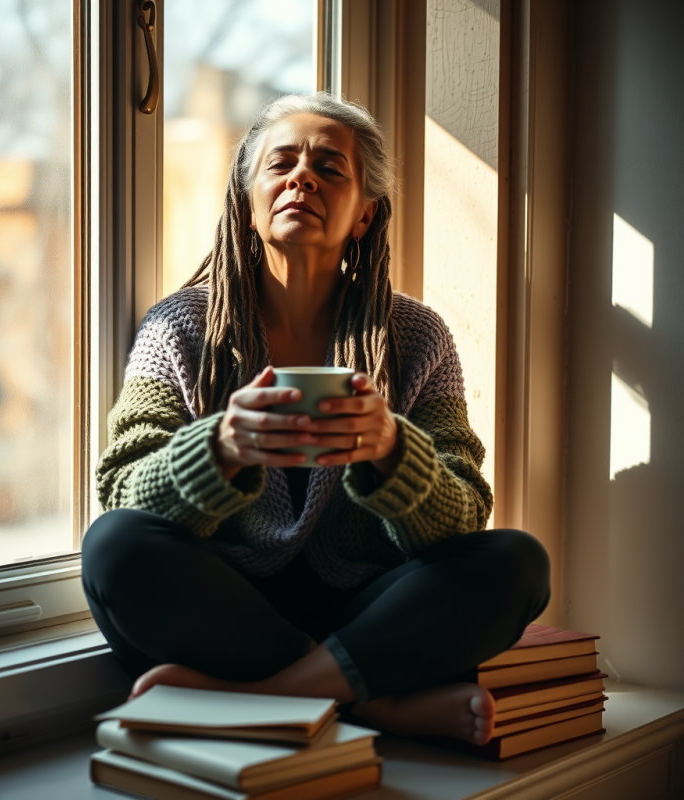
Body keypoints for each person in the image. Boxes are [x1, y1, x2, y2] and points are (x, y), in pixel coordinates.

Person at [82, 93, 550, 746]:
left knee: (516, 562)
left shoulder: (416, 337)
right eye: (281, 164)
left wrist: (392, 448)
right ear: (247, 204)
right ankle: (370, 705)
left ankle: (264, 701)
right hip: (225, 614)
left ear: (365, 214)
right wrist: (218, 448)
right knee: (114, 547)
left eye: (330, 168)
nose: (301, 177)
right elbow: (122, 491)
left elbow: (465, 514)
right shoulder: (178, 328)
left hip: (367, 611)